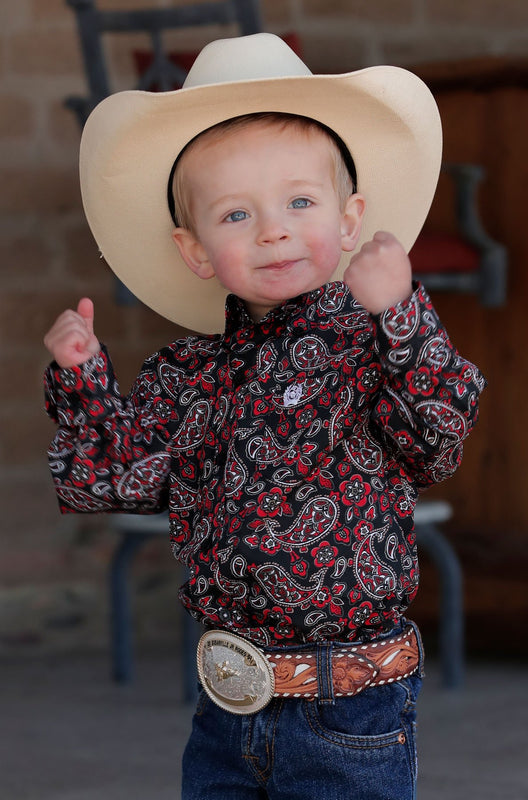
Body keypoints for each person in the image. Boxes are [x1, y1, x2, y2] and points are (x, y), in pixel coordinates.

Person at [43, 33, 485, 800]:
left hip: (348, 708)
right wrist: (82, 379)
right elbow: (116, 479)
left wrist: (402, 316)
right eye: (236, 214)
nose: (272, 228)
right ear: (196, 250)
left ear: (350, 223)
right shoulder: (189, 374)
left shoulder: (372, 345)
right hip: (227, 702)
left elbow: (437, 434)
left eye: (299, 202)